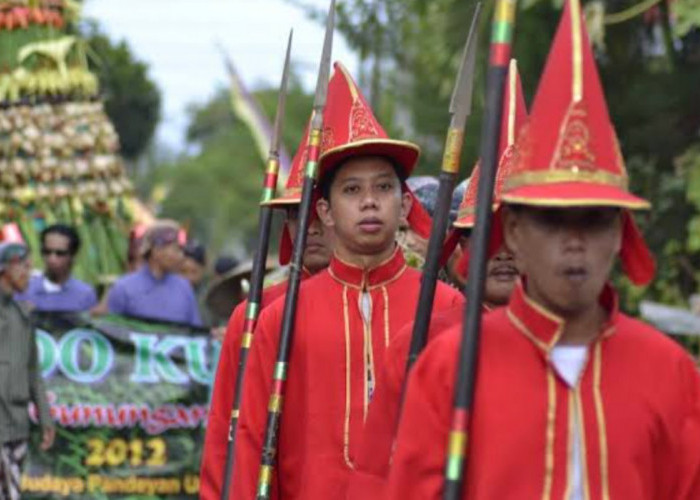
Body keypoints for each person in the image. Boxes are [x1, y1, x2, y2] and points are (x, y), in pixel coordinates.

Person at [386, 2, 700, 497]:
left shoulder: (670, 373)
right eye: (552, 219)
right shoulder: (449, 366)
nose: (574, 241)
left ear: (620, 234)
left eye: (594, 220)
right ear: (512, 230)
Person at [230, 61, 463, 499]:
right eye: (352, 191)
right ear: (324, 212)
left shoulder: (448, 309)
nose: (370, 203)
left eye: (384, 188)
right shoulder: (281, 319)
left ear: (404, 202)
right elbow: (249, 443)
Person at [347, 59, 527, 500]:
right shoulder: (425, 341)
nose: (502, 251)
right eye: (486, 235)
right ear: (460, 248)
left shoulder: (614, 354)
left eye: (517, 232)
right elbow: (375, 476)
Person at [198, 122, 335, 499]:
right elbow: (225, 433)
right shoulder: (255, 314)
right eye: (295, 214)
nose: (311, 227)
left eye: (321, 211)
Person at [0, 242, 54, 500]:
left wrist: (45, 417)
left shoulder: (22, 316)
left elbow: (33, 371)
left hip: (17, 424)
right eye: (23, 265)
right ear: (5, 268)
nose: (28, 272)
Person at [107, 220, 202, 326]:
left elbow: (195, 331)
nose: (181, 256)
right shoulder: (124, 288)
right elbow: (112, 329)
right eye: (176, 249)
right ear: (156, 250)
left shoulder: (184, 289)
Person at [15, 224, 97, 313]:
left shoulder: (84, 294)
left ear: (73, 257)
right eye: (47, 252)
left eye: (60, 253)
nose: (52, 259)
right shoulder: (23, 291)